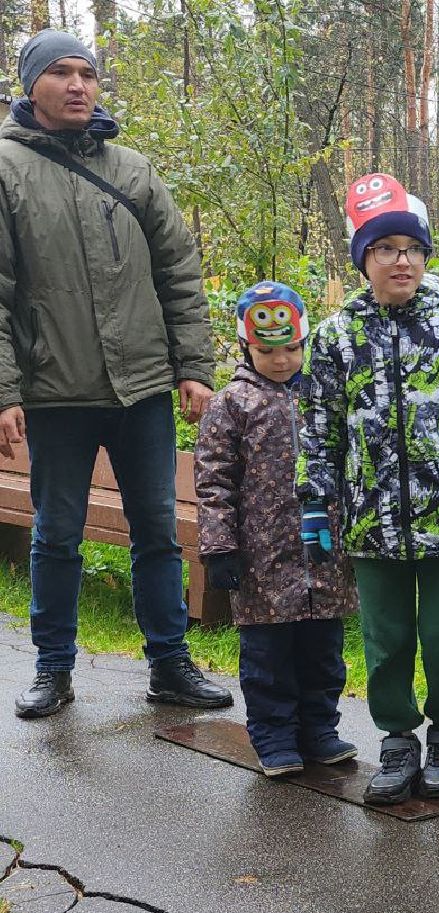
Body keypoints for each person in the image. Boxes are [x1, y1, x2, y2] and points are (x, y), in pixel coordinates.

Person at [0, 29, 231, 718]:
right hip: (55, 394)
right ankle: (53, 670)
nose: (78, 85)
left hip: (142, 394)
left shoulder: (134, 170)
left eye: (88, 74)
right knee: (58, 535)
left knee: (158, 532)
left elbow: (179, 275)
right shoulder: (6, 171)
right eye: (62, 73)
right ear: (30, 85)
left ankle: (170, 665)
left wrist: (192, 366)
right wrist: (5, 389)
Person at [297, 173, 439, 805]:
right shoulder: (336, 338)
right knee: (386, 644)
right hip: (370, 522)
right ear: (364, 259)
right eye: (386, 249)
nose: (402, 260)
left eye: (412, 249)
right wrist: (315, 506)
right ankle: (396, 739)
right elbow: (319, 427)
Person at [195, 283, 359, 777]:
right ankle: (272, 735)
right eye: (268, 350)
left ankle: (320, 730)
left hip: (324, 555)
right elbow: (213, 480)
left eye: (292, 348)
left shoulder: (323, 397)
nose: (282, 359)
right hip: (262, 559)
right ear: (247, 346)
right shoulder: (231, 405)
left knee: (323, 652)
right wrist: (220, 545)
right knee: (267, 657)